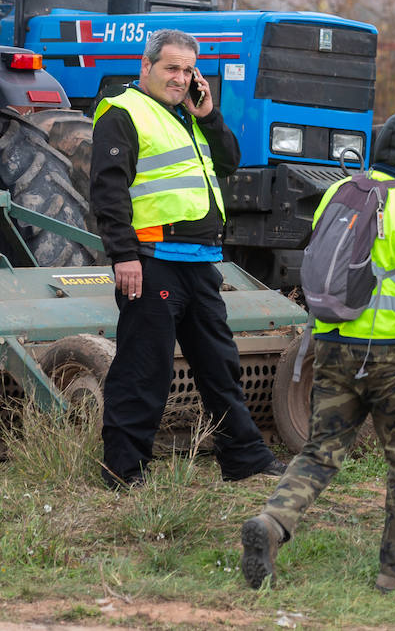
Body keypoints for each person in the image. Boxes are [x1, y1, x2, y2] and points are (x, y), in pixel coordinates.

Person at [241, 111, 395, 592]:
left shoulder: (338, 191)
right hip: (394, 357)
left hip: (331, 346)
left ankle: (271, 524)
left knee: (320, 451)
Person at [92, 29, 283, 488]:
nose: (179, 78)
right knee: (145, 368)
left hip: (199, 261)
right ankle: (123, 471)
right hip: (151, 258)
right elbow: (108, 190)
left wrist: (210, 114)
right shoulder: (122, 113)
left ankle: (243, 457)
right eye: (170, 68)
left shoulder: (188, 115)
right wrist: (123, 255)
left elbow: (230, 162)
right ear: (146, 66)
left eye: (187, 70)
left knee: (220, 363)